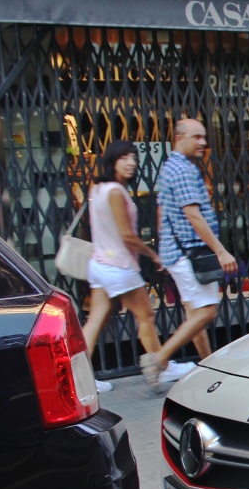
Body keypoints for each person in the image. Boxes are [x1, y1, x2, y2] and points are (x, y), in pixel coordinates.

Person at [81, 141, 192, 392]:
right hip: (120, 266)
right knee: (146, 316)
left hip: (99, 264)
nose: (131, 162)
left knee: (95, 320)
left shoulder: (97, 187)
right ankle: (162, 367)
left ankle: (81, 380)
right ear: (112, 160)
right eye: (124, 158)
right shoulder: (116, 192)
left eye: (133, 157)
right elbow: (127, 236)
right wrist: (153, 255)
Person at [145, 118, 237, 391]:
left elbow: (162, 211)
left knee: (195, 311)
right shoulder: (183, 170)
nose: (203, 143)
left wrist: (164, 249)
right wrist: (220, 251)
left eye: (204, 137)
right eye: (197, 137)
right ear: (180, 137)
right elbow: (193, 215)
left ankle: (208, 367)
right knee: (207, 312)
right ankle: (158, 359)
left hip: (177, 251)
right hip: (189, 252)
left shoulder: (169, 167)